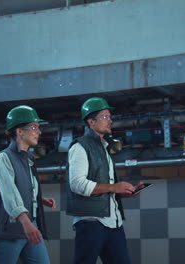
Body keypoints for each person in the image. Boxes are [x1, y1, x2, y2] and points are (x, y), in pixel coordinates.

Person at [66, 97, 144, 264]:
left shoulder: (104, 148)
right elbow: (77, 184)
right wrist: (114, 187)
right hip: (91, 222)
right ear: (91, 122)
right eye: (105, 117)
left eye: (110, 117)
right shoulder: (80, 147)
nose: (110, 121)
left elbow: (107, 189)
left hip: (113, 222)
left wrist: (124, 193)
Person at [0, 105, 56, 264]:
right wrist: (26, 222)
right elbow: (9, 193)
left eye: (38, 128)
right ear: (19, 131)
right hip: (9, 230)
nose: (39, 132)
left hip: (29, 226)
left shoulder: (28, 158)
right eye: (34, 127)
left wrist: (38, 198)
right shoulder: (4, 157)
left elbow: (21, 187)